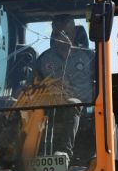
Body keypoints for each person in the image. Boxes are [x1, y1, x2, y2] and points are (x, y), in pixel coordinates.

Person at [32, 14, 96, 159]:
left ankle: (63, 153)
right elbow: (32, 85)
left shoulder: (89, 57)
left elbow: (103, 84)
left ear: (74, 33)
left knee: (72, 104)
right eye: (57, 33)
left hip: (84, 108)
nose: (61, 37)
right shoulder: (44, 59)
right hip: (50, 106)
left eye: (66, 33)